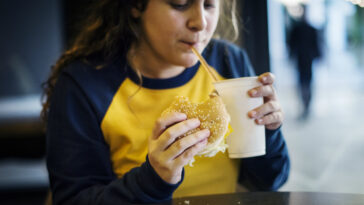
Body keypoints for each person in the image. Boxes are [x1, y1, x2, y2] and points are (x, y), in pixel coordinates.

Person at [42, 0, 290, 204]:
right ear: (136, 6)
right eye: (180, 4)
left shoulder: (229, 61)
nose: (200, 23)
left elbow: (270, 180)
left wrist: (267, 132)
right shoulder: (83, 85)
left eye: (209, 5)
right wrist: (153, 179)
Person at [287, 4, 321, 120]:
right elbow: (291, 44)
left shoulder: (311, 29)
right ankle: (304, 104)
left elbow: (316, 44)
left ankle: (307, 105)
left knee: (308, 83)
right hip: (300, 60)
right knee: (302, 83)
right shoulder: (296, 29)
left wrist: (318, 56)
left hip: (308, 60)